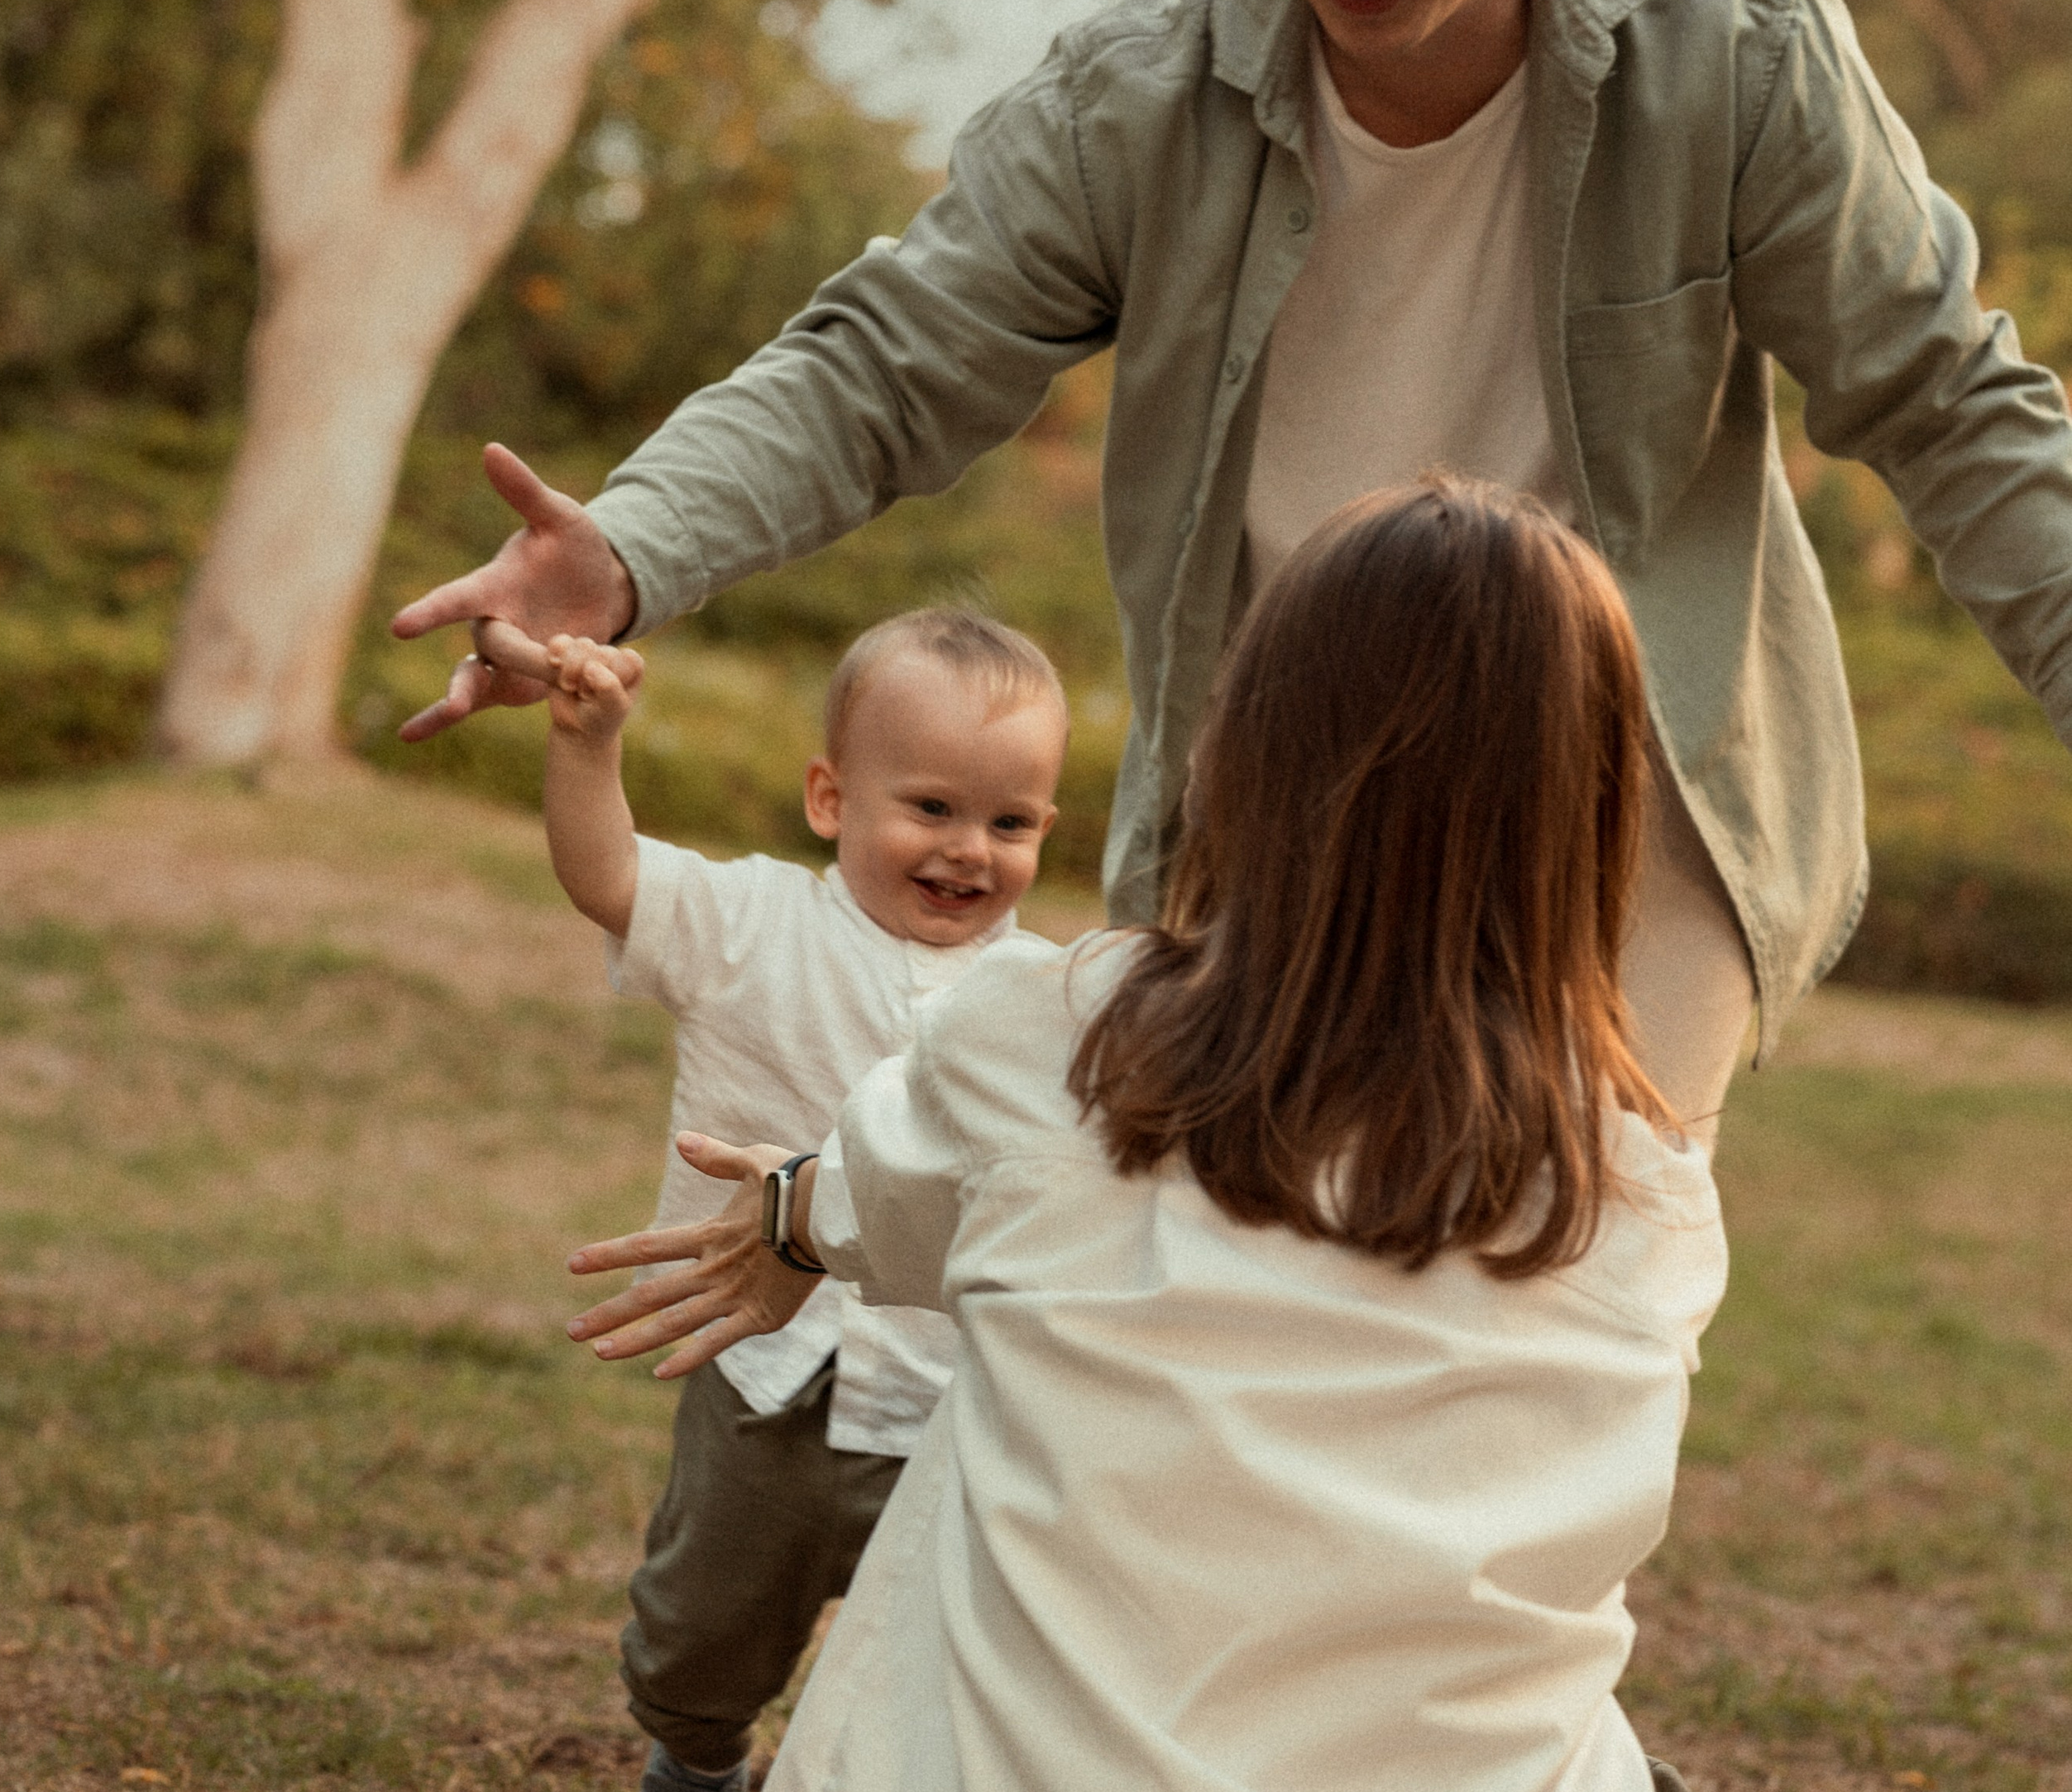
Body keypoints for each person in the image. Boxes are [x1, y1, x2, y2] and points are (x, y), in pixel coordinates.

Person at [394, 0, 2072, 1130]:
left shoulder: (1731, 46)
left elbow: (1945, 402)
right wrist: (628, 549)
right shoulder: (1140, 95)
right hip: (1277, 773)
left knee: (1557, 1278)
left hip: (1628, 785)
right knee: (1217, 1269)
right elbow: (884, 361)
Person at [564, 481, 1723, 1792]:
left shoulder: (1057, 1041)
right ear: (1600, 812)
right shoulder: (1650, 1199)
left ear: (1243, 752)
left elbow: (869, 1203)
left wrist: (788, 1220)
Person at [514, 602, 1069, 1792]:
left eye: (1009, 822)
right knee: (700, 1637)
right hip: (762, 1377)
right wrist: (587, 745)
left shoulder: (1049, 998)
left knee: (944, 1656)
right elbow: (607, 875)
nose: (969, 851)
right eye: (932, 808)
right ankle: (698, 1758)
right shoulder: (752, 924)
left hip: (953, 1399)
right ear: (831, 799)